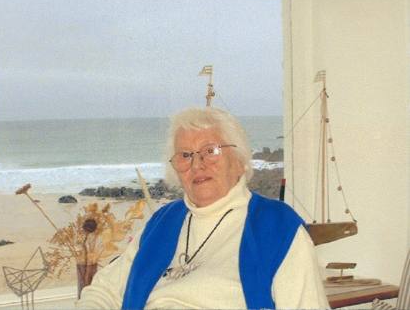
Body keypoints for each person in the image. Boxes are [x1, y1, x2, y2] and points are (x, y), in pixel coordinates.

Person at [76, 107, 330, 309]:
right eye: (185, 155)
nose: (197, 164)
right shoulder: (161, 223)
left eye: (211, 151)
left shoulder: (277, 226)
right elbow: (103, 291)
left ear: (240, 161)